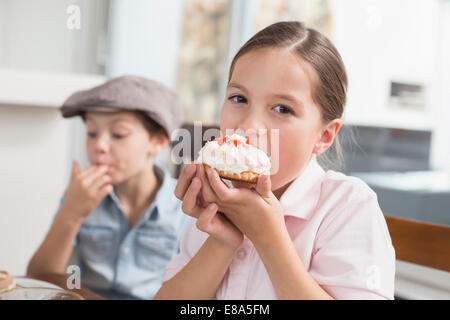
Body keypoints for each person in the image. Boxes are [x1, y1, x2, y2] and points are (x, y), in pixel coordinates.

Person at [154, 21, 395, 300]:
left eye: (282, 108)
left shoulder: (347, 205)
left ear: (324, 135)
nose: (249, 125)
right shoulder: (216, 199)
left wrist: (268, 236)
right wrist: (223, 239)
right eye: (239, 98)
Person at [27, 75, 190, 299]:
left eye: (118, 134)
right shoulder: (80, 195)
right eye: (92, 133)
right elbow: (39, 274)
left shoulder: (185, 208)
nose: (99, 146)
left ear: (158, 142)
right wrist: (72, 213)